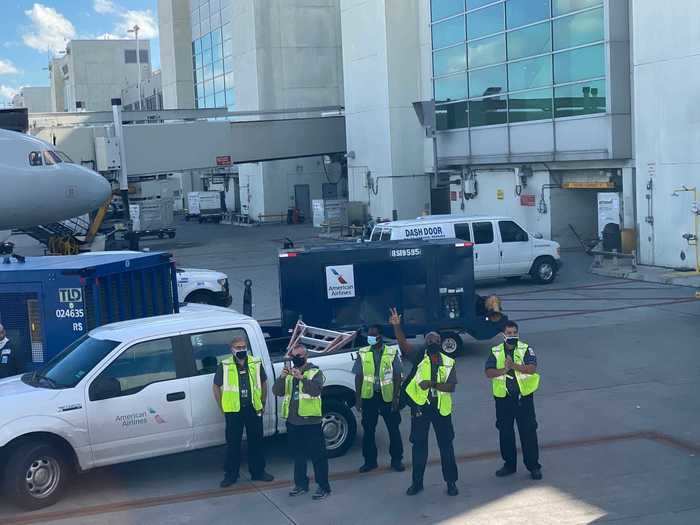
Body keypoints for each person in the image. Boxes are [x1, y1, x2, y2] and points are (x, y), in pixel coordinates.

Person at [389, 308, 459, 497]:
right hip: (420, 408)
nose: (432, 342)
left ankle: (451, 482)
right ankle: (417, 483)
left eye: (435, 340)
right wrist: (396, 326)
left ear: (440, 342)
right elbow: (403, 345)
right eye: (429, 340)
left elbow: (451, 386)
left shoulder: (448, 361)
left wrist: (433, 384)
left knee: (446, 447)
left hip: (441, 409)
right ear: (425, 343)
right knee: (419, 447)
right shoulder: (420, 355)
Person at [212, 336, 274, 488]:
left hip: (253, 408)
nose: (241, 350)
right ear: (232, 349)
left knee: (256, 442)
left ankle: (258, 472)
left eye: (243, 347)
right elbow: (216, 386)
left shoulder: (255, 363)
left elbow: (264, 383)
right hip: (234, 411)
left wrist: (263, 401)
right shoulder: (225, 365)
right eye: (238, 347)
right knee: (233, 444)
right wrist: (222, 407)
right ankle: (231, 475)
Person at [485, 320, 542, 480]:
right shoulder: (495, 351)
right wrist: (504, 369)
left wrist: (514, 366)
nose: (512, 336)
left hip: (523, 399)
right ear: (503, 335)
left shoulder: (526, 349)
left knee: (528, 433)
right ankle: (509, 465)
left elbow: (531, 369)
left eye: (514, 333)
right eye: (509, 333)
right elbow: (488, 372)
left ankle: (533, 466)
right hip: (504, 400)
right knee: (505, 433)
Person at [273, 344, 331, 500]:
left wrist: (302, 378)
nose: (295, 359)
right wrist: (282, 378)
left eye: (298, 356)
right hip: (293, 422)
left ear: (306, 356)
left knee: (318, 456)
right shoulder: (289, 373)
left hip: (311, 422)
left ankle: (323, 486)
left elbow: (315, 391)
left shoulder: (315, 372)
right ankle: (301, 484)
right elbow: (276, 392)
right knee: (298, 456)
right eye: (293, 356)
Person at [353, 324, 404, 473]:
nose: (370, 338)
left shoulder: (391, 352)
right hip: (369, 397)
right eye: (369, 335)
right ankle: (369, 462)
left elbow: (397, 376)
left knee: (393, 429)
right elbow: (359, 376)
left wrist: (396, 397)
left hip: (388, 397)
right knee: (368, 431)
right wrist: (358, 398)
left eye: (373, 335)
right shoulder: (363, 353)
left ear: (380, 336)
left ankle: (396, 460)